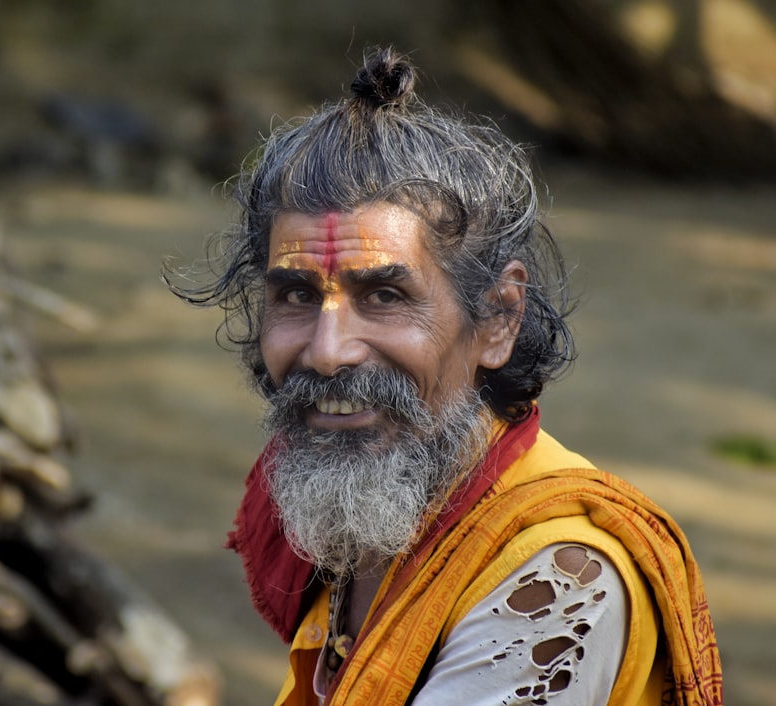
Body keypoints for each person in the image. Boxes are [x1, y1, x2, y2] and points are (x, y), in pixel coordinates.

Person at [165, 47, 723, 706]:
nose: (327, 351)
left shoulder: (559, 579)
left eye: (385, 296)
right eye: (296, 296)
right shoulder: (368, 523)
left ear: (496, 318)